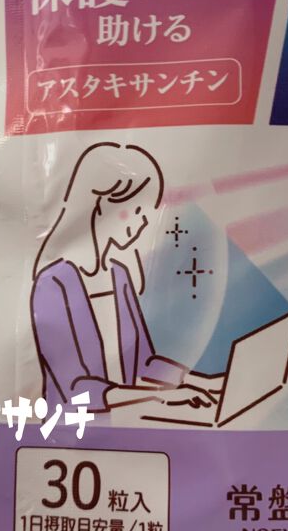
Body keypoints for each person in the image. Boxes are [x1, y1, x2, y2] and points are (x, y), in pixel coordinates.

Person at [30, 142, 222, 414]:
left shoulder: (117, 275)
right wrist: (156, 397)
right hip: (73, 429)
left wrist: (199, 382)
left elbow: (143, 362)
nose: (143, 222)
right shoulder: (54, 284)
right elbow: (74, 389)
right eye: (137, 210)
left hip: (125, 419)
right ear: (101, 206)